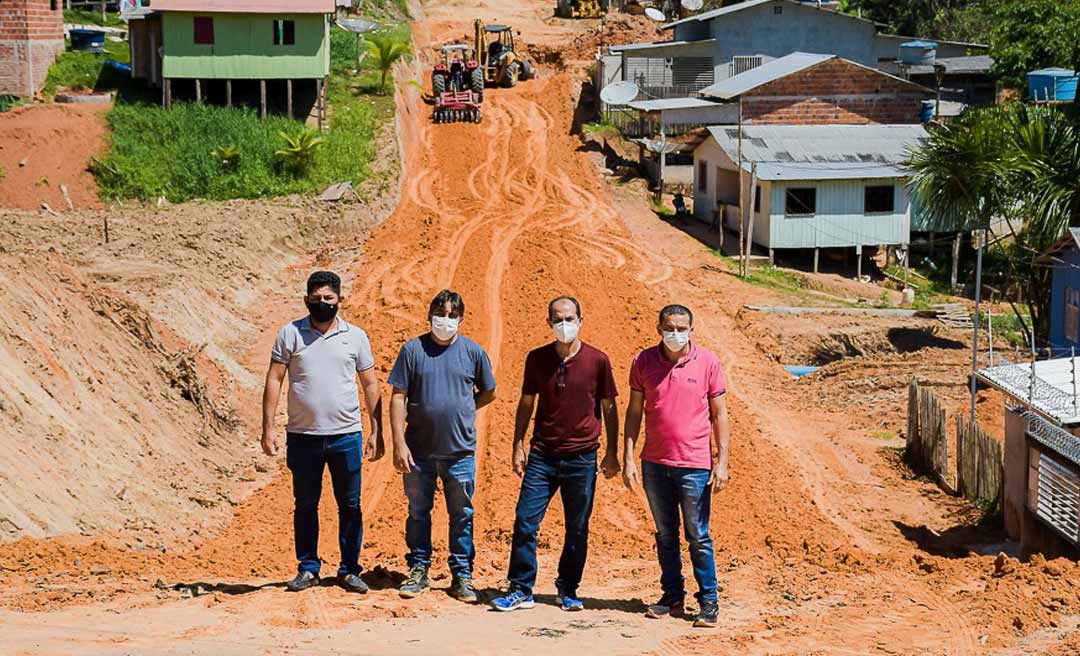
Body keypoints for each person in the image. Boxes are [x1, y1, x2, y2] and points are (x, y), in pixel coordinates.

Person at [491, 297, 620, 613]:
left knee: (577, 527)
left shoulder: (598, 361)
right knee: (525, 520)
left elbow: (610, 408)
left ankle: (568, 588)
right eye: (558, 319)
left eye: (570, 318)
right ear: (549, 323)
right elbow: (526, 404)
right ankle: (521, 588)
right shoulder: (536, 360)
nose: (565, 324)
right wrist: (517, 444)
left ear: (580, 320)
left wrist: (613, 452)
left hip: (582, 458)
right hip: (542, 457)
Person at [261, 270, 384, 594]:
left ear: (340, 300)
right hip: (303, 436)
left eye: (328, 299)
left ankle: (349, 570)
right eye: (316, 299)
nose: (322, 304)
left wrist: (376, 430)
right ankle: (308, 568)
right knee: (305, 504)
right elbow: (275, 379)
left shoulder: (356, 337)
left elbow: (370, 383)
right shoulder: (290, 334)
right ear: (306, 300)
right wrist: (268, 427)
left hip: (346, 435)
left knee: (351, 505)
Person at [622, 304, 730, 628]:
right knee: (665, 534)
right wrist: (628, 457)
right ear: (659, 328)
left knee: (697, 534)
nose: (675, 333)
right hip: (655, 462)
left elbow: (719, 413)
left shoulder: (708, 362)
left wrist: (722, 461)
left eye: (682, 328)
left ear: (691, 330)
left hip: (695, 465)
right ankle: (672, 595)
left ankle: (709, 600)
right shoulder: (643, 362)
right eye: (670, 327)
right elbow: (633, 411)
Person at [389, 289, 496, 604]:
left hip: (459, 451)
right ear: (429, 315)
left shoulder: (474, 352)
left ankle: (462, 575)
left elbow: (489, 392)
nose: (445, 320)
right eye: (440, 313)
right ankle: (419, 569)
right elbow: (397, 396)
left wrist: (463, 409)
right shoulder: (412, 350)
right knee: (418, 512)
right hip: (418, 451)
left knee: (462, 514)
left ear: (461, 319)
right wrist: (398, 443)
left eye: (451, 315)